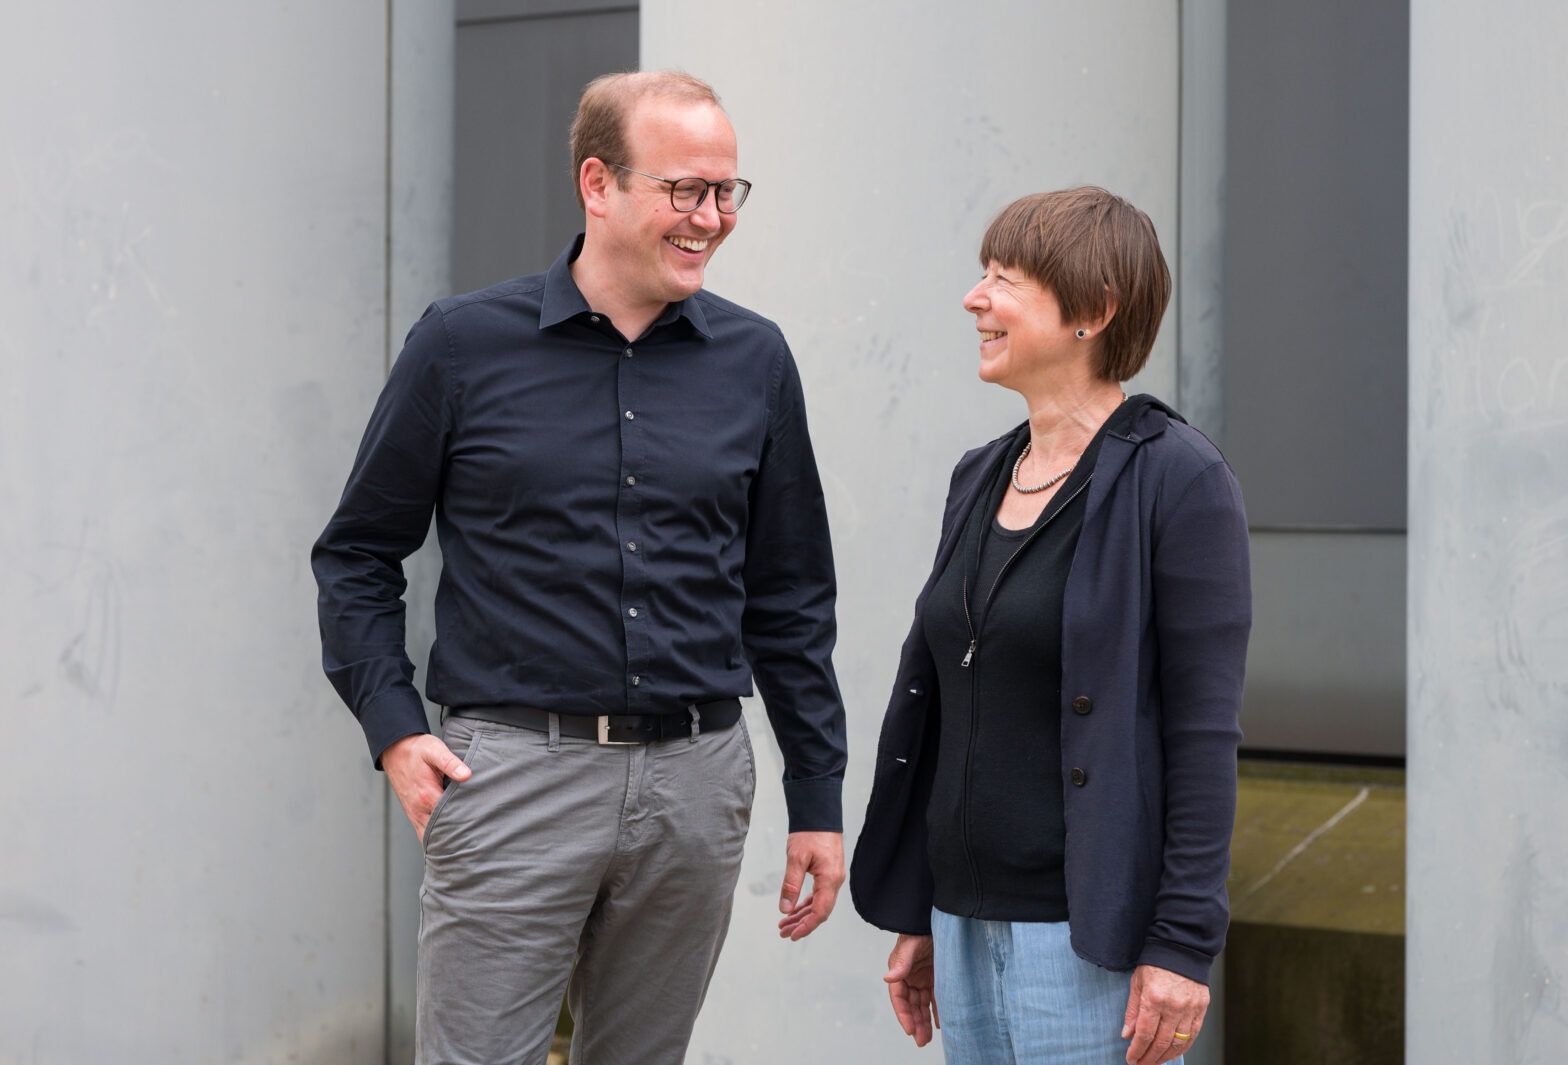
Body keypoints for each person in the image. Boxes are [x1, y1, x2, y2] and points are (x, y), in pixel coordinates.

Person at [312, 70, 847, 1065]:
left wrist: (816, 796)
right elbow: (355, 553)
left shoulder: (756, 359)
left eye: (726, 191)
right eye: (683, 190)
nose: (712, 217)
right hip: (514, 770)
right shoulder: (461, 345)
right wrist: (394, 730)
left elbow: (789, 595)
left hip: (697, 783)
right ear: (597, 185)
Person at [849, 186, 1250, 1065]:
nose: (974, 297)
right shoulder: (981, 474)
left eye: (1006, 279)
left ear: (1094, 311)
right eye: (982, 273)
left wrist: (1181, 944)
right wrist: (923, 906)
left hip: (1086, 944)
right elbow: (954, 703)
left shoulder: (1177, 479)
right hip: (961, 926)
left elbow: (1203, 730)